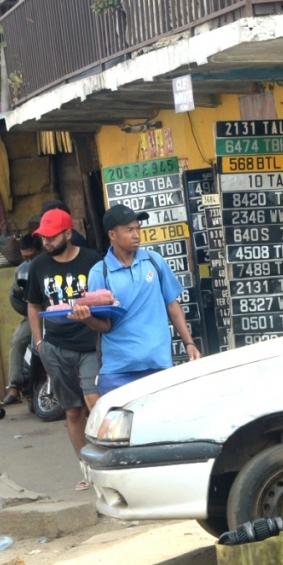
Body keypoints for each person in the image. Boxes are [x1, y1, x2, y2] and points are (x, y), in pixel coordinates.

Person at [74, 204, 199, 394]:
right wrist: (87, 318)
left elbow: (172, 306)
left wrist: (189, 343)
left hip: (159, 364)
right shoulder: (100, 272)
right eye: (129, 230)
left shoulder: (154, 261)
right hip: (118, 370)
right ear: (112, 235)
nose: (136, 235)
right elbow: (105, 325)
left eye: (138, 229)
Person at [27, 207, 103, 481]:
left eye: (51, 236)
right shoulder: (38, 266)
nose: (46, 242)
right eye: (43, 237)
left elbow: (107, 300)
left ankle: (108, 465)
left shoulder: (93, 262)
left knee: (96, 402)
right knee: (72, 411)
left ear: (68, 233)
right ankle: (88, 470)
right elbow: (33, 305)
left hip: (90, 345)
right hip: (56, 347)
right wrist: (39, 343)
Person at [1, 234, 42, 406]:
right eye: (26, 257)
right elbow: (16, 298)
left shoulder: (50, 265)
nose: (30, 261)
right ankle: (14, 388)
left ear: (41, 250)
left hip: (56, 313)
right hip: (33, 314)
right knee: (18, 340)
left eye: (33, 256)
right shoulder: (20, 271)